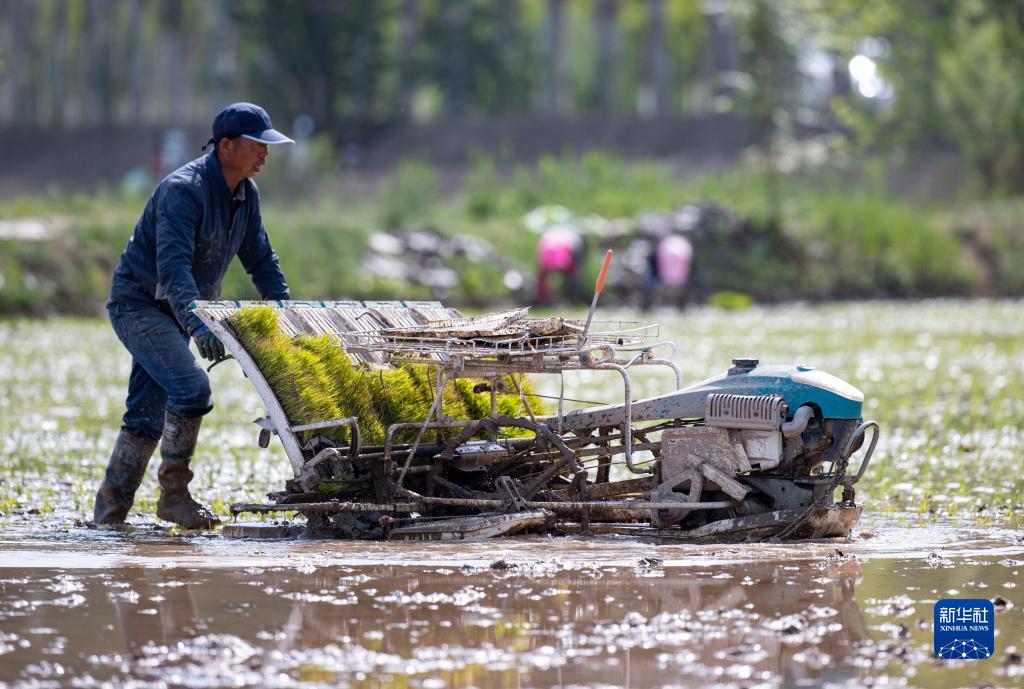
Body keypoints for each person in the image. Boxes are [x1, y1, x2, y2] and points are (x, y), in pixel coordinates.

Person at [94, 103, 294, 529]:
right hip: (141, 304)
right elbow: (173, 271)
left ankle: (108, 518)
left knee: (145, 416)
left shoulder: (245, 195)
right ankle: (174, 495)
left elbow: (261, 261)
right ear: (226, 146)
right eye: (257, 144)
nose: (265, 153)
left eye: (267, 146)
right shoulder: (183, 190)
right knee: (191, 389)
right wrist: (199, 325)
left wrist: (287, 314)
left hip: (178, 311)